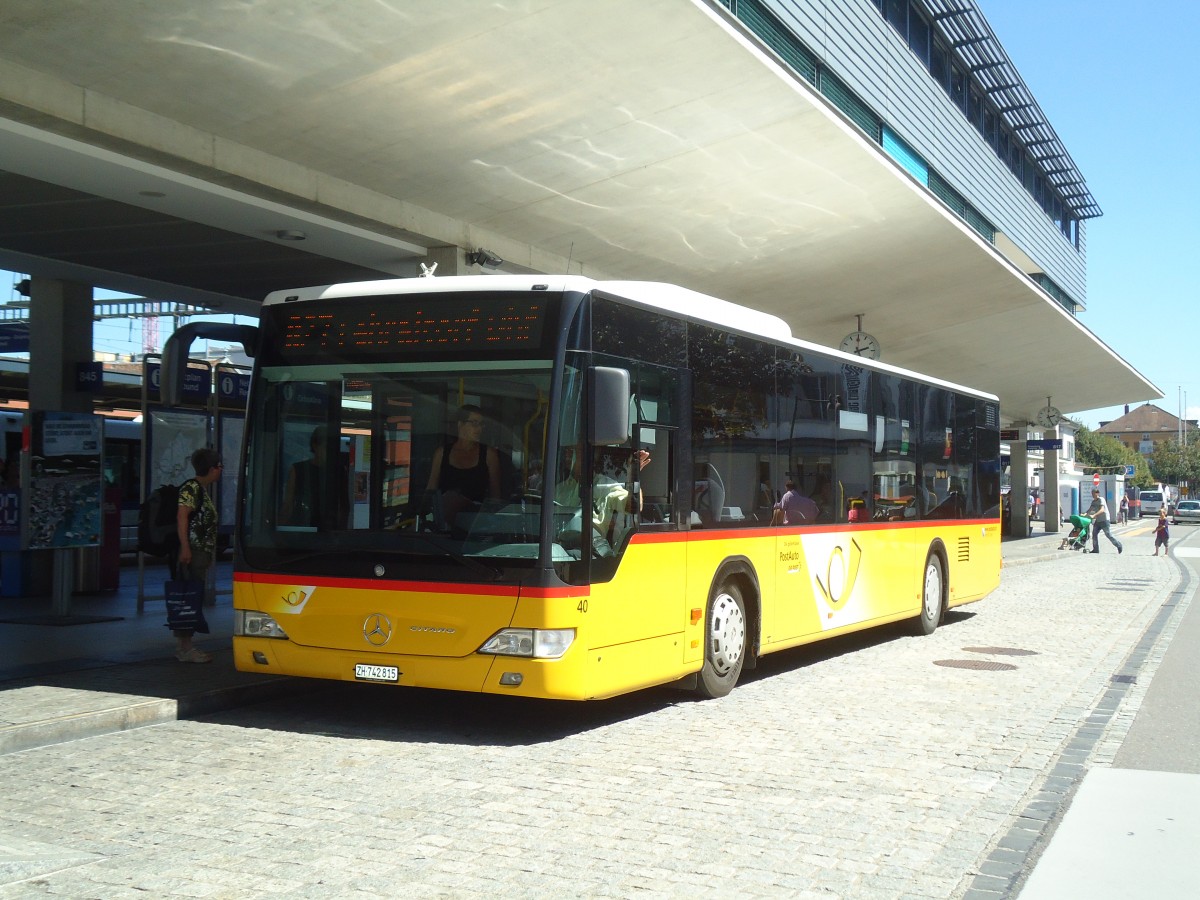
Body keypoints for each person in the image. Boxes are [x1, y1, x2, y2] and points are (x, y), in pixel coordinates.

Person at [173, 447, 222, 663]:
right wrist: (185, 547)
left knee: (192, 597)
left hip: (199, 552)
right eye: (219, 467)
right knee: (189, 598)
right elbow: (182, 516)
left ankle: (185, 646)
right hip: (192, 552)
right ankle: (185, 648)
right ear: (211, 469)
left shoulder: (200, 489)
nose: (220, 471)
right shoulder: (192, 488)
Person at [424, 405, 501, 528]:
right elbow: (431, 490)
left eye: (481, 424)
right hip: (445, 526)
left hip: (475, 525)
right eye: (474, 423)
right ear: (460, 424)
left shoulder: (489, 454)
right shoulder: (441, 453)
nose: (479, 428)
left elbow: (495, 496)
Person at [283, 425, 349, 527]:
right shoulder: (298, 470)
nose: (330, 452)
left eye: (332, 448)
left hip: (329, 528)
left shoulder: (339, 472)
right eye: (326, 447)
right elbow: (288, 505)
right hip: (303, 526)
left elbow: (344, 507)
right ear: (315, 446)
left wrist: (339, 530)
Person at [1085, 488, 1123, 555]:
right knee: (1094, 534)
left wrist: (1094, 515)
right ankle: (1096, 549)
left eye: (1094, 493)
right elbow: (1090, 510)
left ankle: (1118, 545)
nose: (1093, 495)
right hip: (1098, 520)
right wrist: (1085, 514)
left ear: (1097, 493)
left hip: (1105, 520)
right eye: (1092, 493)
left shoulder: (1101, 499)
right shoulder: (1093, 502)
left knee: (1108, 534)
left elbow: (1102, 510)